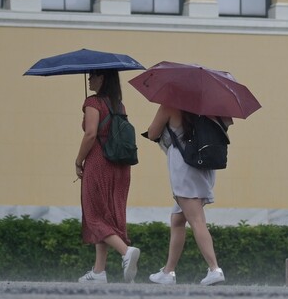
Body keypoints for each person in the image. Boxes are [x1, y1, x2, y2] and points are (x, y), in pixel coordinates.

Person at [145, 105, 227, 286]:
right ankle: (168, 271)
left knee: (197, 220)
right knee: (177, 220)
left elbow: (152, 133)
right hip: (202, 166)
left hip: (184, 168)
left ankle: (215, 269)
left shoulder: (171, 105)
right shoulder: (205, 106)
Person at [74, 69, 140, 284]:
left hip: (99, 163)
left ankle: (125, 251)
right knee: (107, 214)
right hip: (121, 167)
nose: (89, 78)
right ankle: (98, 271)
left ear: (102, 78)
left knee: (94, 215)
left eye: (93, 75)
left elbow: (90, 134)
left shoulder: (93, 102)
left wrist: (78, 161)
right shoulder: (118, 104)